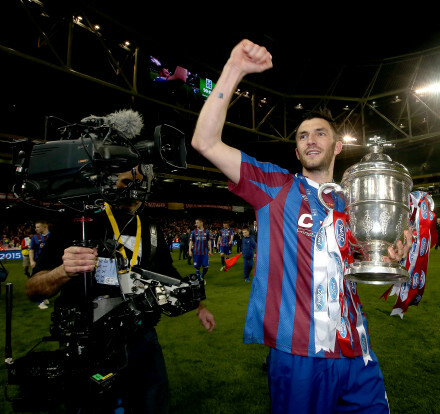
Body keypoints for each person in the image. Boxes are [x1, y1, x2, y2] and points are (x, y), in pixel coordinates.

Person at [191, 39, 411, 414]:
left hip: (356, 350)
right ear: (296, 151)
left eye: (320, 133)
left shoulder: (353, 204)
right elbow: (205, 141)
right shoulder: (276, 188)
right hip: (298, 355)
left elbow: (362, 265)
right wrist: (234, 68)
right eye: (303, 136)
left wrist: (391, 252)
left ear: (338, 146)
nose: (311, 140)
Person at [25, 168, 215, 413]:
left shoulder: (150, 227)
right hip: (90, 342)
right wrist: (64, 270)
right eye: (127, 181)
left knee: (152, 405)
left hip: (142, 337)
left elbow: (169, 275)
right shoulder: (78, 222)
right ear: (109, 180)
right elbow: (33, 289)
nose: (134, 189)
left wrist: (199, 306)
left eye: (140, 182)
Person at [29, 219, 50, 309]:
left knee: (48, 281)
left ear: (44, 227)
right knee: (39, 282)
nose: (36, 229)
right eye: (35, 227)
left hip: (51, 263)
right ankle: (40, 302)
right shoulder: (35, 238)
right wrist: (31, 261)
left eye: (38, 227)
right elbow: (31, 250)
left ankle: (44, 296)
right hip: (39, 263)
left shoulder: (52, 236)